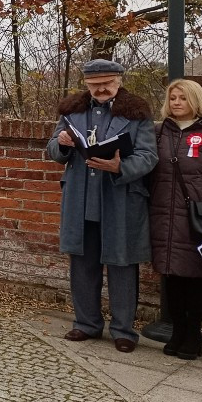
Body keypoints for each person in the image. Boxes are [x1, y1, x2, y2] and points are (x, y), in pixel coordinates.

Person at [46, 59, 157, 353]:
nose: (101, 89)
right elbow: (53, 150)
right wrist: (63, 143)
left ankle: (123, 330)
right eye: (95, 85)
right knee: (82, 263)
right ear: (86, 84)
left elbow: (148, 156)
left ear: (119, 81)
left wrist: (119, 166)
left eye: (107, 83)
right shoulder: (72, 110)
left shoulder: (137, 113)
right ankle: (86, 323)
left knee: (122, 264)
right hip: (81, 198)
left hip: (119, 199)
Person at [148, 79, 202, 360]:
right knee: (171, 273)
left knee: (195, 275)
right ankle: (178, 330)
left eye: (182, 98)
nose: (177, 103)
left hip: (195, 217)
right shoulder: (158, 132)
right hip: (163, 213)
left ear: (195, 100)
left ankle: (193, 333)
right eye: (173, 98)